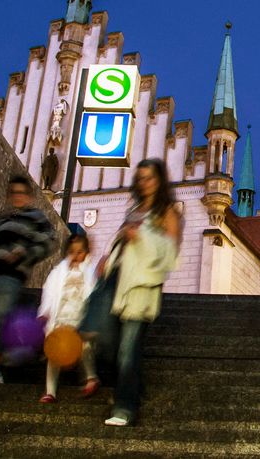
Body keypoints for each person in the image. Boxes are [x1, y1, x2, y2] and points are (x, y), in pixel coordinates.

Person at [102, 158, 181, 427]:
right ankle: (133, 387)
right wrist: (108, 257)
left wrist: (142, 238)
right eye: (140, 178)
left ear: (160, 181)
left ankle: (124, 407)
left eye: (149, 177)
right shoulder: (134, 209)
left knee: (127, 348)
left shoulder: (166, 212)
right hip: (117, 280)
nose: (144, 183)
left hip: (141, 287)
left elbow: (170, 254)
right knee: (112, 345)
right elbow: (122, 242)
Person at [0, 176, 55, 384]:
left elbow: (49, 241)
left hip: (10, 274)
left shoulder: (35, 217)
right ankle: (3, 359)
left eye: (22, 192)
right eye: (14, 192)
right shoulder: (6, 218)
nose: (17, 196)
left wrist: (24, 253)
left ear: (29, 196)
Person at [37, 233, 99, 403]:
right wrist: (44, 312)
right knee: (54, 353)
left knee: (84, 348)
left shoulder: (90, 272)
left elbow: (94, 294)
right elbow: (49, 293)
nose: (76, 255)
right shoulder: (58, 273)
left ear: (87, 252)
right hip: (60, 318)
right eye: (72, 251)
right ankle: (50, 391)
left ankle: (91, 378)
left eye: (80, 251)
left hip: (79, 319)